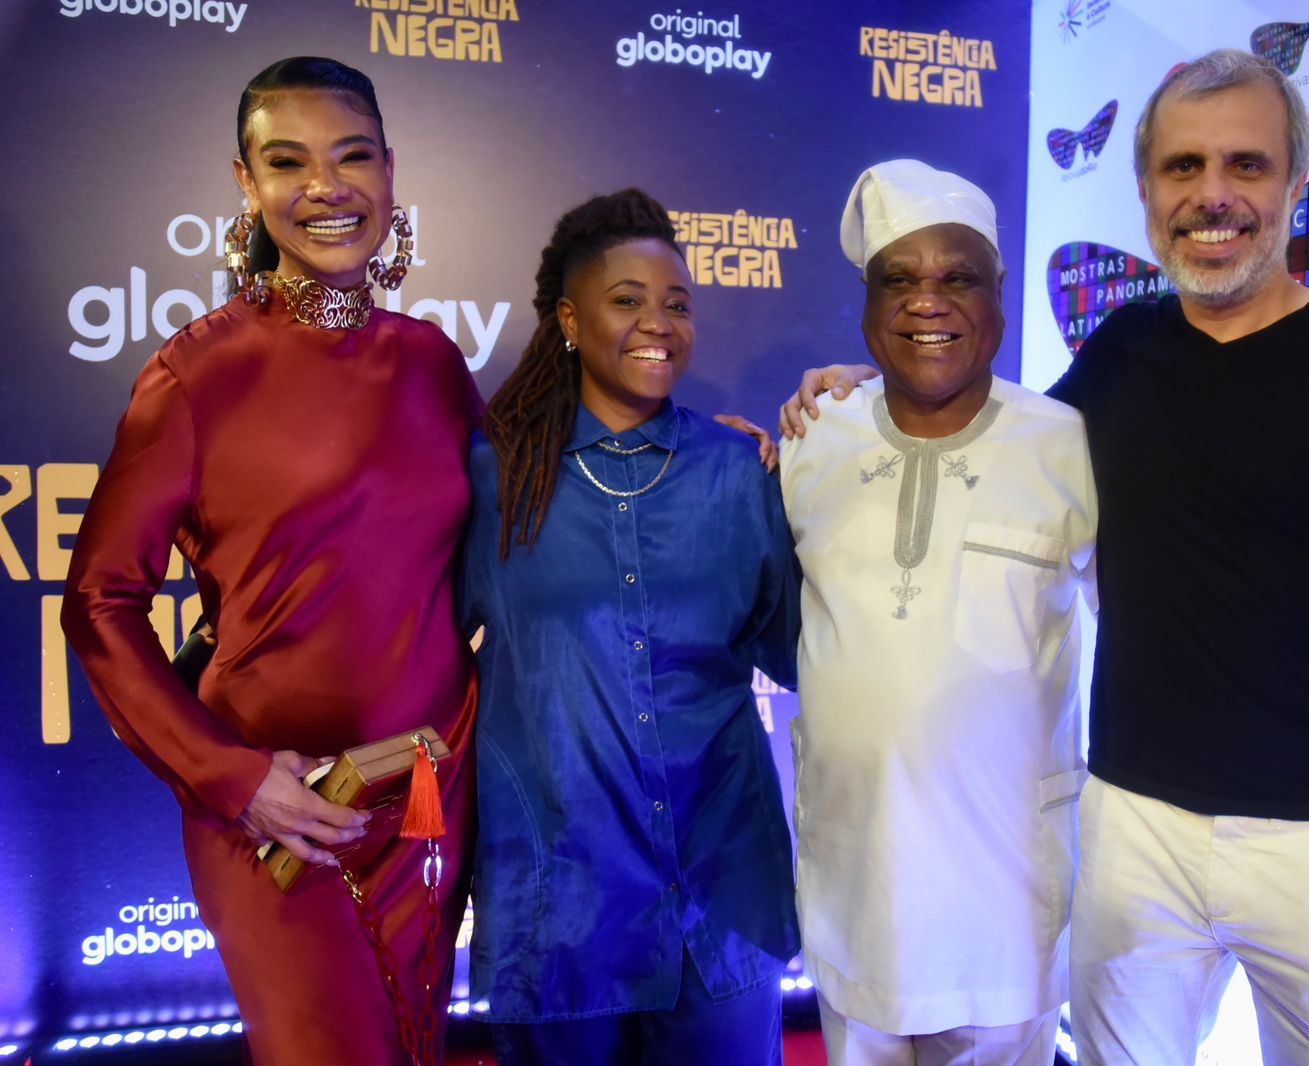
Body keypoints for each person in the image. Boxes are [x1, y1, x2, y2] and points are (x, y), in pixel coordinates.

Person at [787, 50, 1309, 1066]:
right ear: (1144, 192)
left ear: (1295, 183)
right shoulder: (1117, 357)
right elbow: (984, 439)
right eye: (1182, 168)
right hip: (1132, 831)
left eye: (1245, 166)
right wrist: (870, 387)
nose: (1212, 196)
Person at [61, 57, 480, 1066]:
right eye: (286, 162)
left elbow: (522, 534)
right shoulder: (198, 373)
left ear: (391, 170)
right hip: (281, 817)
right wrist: (232, 776)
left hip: (430, 799)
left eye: (352, 157)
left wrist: (705, 451)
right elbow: (99, 602)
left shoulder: (430, 360)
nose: (326, 187)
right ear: (246, 187)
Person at [458, 188, 800, 1066]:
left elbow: (812, 653)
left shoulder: (735, 470)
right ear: (569, 319)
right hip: (560, 909)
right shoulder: (495, 481)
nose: (660, 323)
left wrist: (856, 441)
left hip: (722, 901)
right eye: (628, 301)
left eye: (677, 304)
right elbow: (407, 653)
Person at [777, 159, 1096, 1066]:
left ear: (1000, 297)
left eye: (959, 277)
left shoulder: (1065, 441)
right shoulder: (813, 438)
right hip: (856, 886)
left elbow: (1170, 613)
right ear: (867, 306)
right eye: (900, 279)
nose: (929, 301)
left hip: (1006, 894)